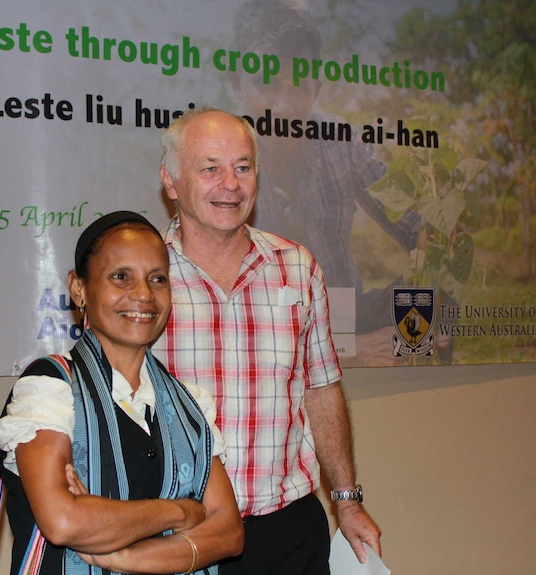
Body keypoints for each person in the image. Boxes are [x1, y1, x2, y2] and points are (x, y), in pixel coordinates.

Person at [152, 109, 381, 574]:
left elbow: (321, 390)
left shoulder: (297, 268)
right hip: (181, 540)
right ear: (171, 182)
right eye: (210, 167)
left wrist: (348, 501)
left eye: (243, 166)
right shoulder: (144, 282)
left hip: (290, 534)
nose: (230, 184)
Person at [0, 211, 243, 575]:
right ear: (79, 289)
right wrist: (181, 511)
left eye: (157, 279)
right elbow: (63, 521)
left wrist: (122, 556)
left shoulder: (190, 405)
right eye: (121, 277)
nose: (143, 294)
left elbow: (229, 533)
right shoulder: (50, 388)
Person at [230, 0, 424, 361]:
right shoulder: (221, 158)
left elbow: (414, 225)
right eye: (266, 83)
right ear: (236, 82)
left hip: (346, 314)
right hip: (262, 334)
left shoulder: (343, 140)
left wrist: (441, 238)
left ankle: (411, 389)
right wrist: (350, 351)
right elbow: (235, 319)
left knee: (432, 296)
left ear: (316, 88)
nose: (284, 108)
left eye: (299, 87)